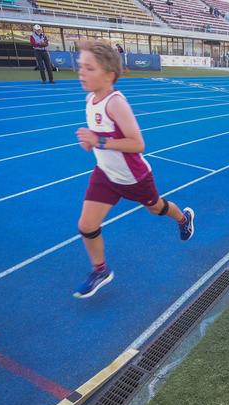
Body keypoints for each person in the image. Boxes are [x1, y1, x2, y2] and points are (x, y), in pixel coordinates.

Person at [73, 39, 195, 298]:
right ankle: (100, 270)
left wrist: (99, 141)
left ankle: (184, 219)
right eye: (80, 66)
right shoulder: (90, 99)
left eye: (89, 68)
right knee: (86, 225)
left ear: (109, 74)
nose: (81, 71)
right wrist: (91, 142)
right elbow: (100, 134)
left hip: (134, 177)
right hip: (105, 175)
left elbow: (138, 143)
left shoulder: (116, 103)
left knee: (156, 208)